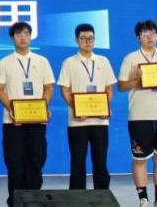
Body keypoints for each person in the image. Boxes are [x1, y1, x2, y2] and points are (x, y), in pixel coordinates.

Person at [0, 21, 54, 207]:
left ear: (31, 36)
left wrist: (43, 107)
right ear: (12, 38)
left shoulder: (42, 61)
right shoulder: (4, 62)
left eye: (26, 33)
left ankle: (34, 201)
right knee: (15, 162)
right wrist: (11, 109)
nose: (23, 37)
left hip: (36, 120)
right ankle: (15, 202)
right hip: (13, 122)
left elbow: (48, 87)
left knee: (36, 160)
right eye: (18, 34)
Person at [118, 19, 157, 207]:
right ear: (138, 38)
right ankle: (143, 198)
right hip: (139, 116)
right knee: (139, 159)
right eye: (145, 34)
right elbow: (121, 86)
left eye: (153, 33)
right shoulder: (131, 58)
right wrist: (137, 81)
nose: (149, 37)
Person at [56, 23, 116, 191]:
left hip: (100, 121)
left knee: (100, 160)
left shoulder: (103, 61)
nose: (87, 41)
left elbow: (109, 88)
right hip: (77, 121)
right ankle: (77, 198)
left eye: (91, 38)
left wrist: (105, 107)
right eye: (83, 38)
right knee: (78, 161)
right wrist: (76, 109)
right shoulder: (69, 62)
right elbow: (64, 89)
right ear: (76, 40)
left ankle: (102, 196)